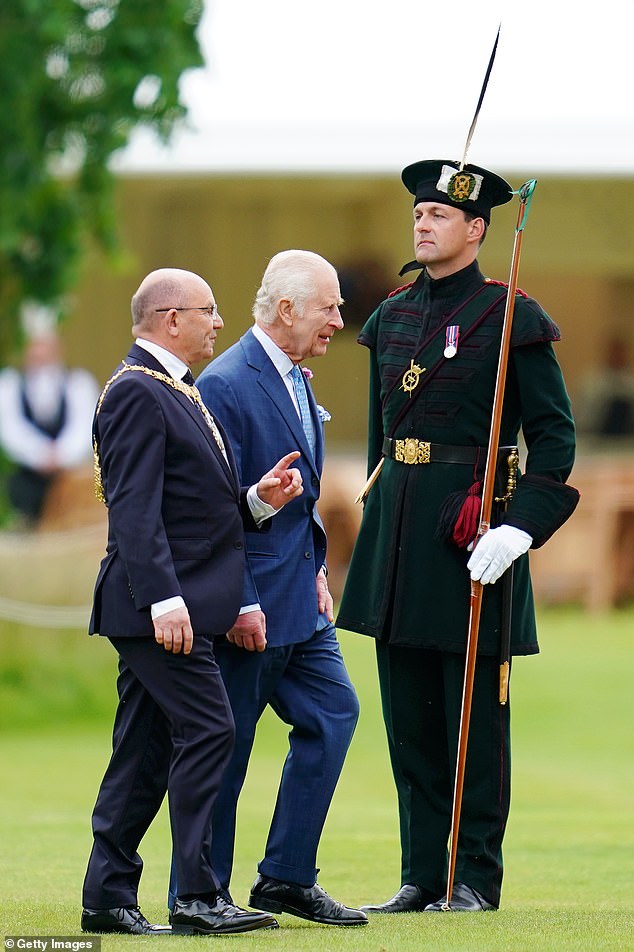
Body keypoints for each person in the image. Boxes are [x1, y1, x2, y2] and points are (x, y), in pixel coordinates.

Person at [337, 160, 580, 913]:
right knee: (407, 717)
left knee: (473, 720)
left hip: (471, 535)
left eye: (440, 214)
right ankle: (420, 874)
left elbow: (555, 438)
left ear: (476, 230)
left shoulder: (512, 317)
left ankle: (473, 878)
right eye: (419, 211)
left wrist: (519, 529)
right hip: (398, 531)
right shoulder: (393, 317)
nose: (423, 221)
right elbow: (384, 439)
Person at [81, 267, 304, 937]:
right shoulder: (138, 394)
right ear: (170, 319)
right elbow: (135, 512)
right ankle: (198, 896)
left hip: (174, 605)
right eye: (208, 311)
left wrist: (256, 503)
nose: (218, 322)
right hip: (156, 610)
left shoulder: (174, 391)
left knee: (144, 751)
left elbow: (190, 513)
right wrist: (164, 601)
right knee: (212, 730)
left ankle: (107, 899)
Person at [169, 250, 367, 927]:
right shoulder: (225, 384)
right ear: (286, 310)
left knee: (334, 715)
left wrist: (316, 569)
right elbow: (214, 510)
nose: (340, 319)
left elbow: (296, 495)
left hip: (302, 607)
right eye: (330, 307)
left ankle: (285, 877)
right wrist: (242, 598)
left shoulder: (294, 378)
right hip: (247, 608)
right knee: (227, 747)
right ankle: (201, 894)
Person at [0, 329, 99, 524]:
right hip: (27, 478)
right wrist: (40, 455)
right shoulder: (9, 384)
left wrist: (60, 455)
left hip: (70, 477)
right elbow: (11, 429)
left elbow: (84, 427)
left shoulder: (79, 383)